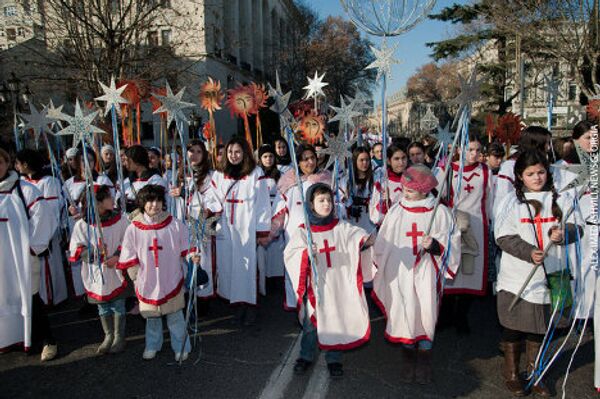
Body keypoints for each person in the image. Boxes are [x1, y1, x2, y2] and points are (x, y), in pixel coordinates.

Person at [494, 150, 582, 396]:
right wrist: (529, 251)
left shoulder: (562, 199)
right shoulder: (511, 201)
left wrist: (565, 233)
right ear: (520, 176)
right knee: (514, 326)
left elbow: (578, 227)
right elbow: (502, 236)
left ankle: (536, 372)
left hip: (553, 273)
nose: (537, 177)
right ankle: (511, 371)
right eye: (530, 173)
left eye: (541, 172)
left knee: (540, 327)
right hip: (519, 275)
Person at [372, 165, 460, 384]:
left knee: (426, 313)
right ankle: (408, 359)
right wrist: (379, 261)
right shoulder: (397, 210)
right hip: (400, 270)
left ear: (424, 190)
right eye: (403, 187)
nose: (404, 192)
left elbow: (453, 242)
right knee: (405, 312)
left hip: (426, 272)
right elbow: (384, 240)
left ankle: (424, 360)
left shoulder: (439, 212)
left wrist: (435, 246)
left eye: (410, 189)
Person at [284, 183, 374, 378]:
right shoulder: (303, 232)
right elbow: (290, 254)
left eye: (329, 200)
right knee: (311, 325)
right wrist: (306, 253)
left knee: (335, 321)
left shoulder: (341, 227)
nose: (326, 204)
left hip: (336, 285)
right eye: (321, 201)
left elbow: (357, 237)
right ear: (311, 204)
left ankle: (334, 359)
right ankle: (306, 356)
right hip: (315, 288)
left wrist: (368, 240)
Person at [118, 184, 193, 361]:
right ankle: (152, 344)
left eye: (159, 200)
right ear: (143, 203)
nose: (155, 204)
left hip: (171, 277)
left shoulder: (174, 224)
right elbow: (129, 254)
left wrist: (192, 257)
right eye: (150, 200)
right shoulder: (133, 228)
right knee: (152, 318)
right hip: (147, 280)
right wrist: (136, 276)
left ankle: (181, 345)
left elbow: (186, 246)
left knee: (175, 316)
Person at [206, 137, 272, 325]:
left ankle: (250, 306)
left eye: (238, 152)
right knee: (228, 267)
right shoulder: (219, 174)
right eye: (230, 152)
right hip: (226, 227)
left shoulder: (255, 173)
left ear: (245, 153)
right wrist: (213, 210)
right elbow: (213, 197)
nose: (233, 156)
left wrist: (261, 230)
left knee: (247, 267)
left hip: (247, 227)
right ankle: (235, 306)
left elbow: (262, 203)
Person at [0, 148, 58, 361]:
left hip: (22, 256)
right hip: (1, 259)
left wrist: (33, 247)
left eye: (1, 162)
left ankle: (49, 340)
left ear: (8, 163)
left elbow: (44, 216)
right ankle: (11, 338)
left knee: (31, 297)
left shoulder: (24, 190)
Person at [439, 135, 492, 334]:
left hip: (477, 226)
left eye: (478, 150)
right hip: (453, 227)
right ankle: (446, 316)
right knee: (450, 270)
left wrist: (489, 223)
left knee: (472, 273)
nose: (474, 154)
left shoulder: (485, 171)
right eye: (470, 149)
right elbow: (438, 196)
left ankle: (462, 316)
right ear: (460, 149)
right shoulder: (449, 169)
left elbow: (489, 199)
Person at [69, 185, 129, 354]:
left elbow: (129, 240)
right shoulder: (83, 225)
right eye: (108, 197)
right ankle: (108, 335)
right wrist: (96, 255)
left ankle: (119, 336)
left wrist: (117, 255)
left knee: (118, 303)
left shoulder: (121, 219)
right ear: (97, 203)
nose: (112, 200)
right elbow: (76, 248)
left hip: (116, 268)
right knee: (102, 306)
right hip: (97, 271)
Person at [273, 144, 331, 310]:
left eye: (312, 158)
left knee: (319, 270)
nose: (310, 162)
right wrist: (270, 231)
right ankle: (298, 304)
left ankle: (319, 306)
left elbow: (334, 205)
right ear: (298, 162)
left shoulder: (325, 178)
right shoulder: (288, 181)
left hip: (319, 232)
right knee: (296, 267)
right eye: (305, 159)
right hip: (294, 234)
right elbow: (280, 209)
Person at [14, 149, 68, 306]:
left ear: (26, 164)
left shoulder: (48, 181)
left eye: (18, 163)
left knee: (49, 267)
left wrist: (45, 233)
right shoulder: (21, 183)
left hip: (45, 230)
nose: (16, 167)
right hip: (27, 232)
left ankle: (52, 298)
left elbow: (52, 208)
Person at [64, 148, 114, 297]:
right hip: (77, 227)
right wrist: (70, 210)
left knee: (100, 259)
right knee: (82, 260)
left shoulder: (103, 180)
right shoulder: (69, 183)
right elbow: (62, 207)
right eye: (83, 160)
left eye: (91, 160)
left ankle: (101, 291)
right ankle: (85, 294)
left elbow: (111, 203)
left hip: (99, 227)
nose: (87, 163)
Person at [494, 126, 552, 219]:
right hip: (516, 215)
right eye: (546, 143)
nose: (548, 148)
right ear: (536, 143)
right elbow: (502, 195)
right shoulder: (510, 165)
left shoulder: (544, 164)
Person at [256, 144, 285, 293]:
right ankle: (263, 281)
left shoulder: (280, 175)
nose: (268, 159)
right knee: (262, 251)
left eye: (271, 156)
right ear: (260, 158)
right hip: (262, 214)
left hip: (276, 212)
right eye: (265, 156)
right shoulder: (256, 174)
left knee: (277, 250)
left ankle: (277, 279)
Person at [369, 144, 409, 225]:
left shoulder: (415, 180)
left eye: (403, 158)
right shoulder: (381, 184)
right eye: (396, 159)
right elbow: (375, 218)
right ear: (388, 161)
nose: (401, 162)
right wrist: (384, 203)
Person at [122, 145, 167, 213]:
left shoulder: (155, 180)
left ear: (136, 161)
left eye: (127, 160)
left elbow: (157, 203)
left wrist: (133, 203)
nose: (125, 163)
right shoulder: (127, 181)